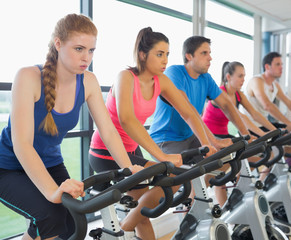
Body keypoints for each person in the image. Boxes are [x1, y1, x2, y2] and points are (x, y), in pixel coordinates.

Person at [0, 14, 142, 240]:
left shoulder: (88, 81)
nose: (87, 57)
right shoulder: (28, 77)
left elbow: (107, 130)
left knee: (72, 224)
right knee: (49, 216)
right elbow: (22, 144)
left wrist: (128, 167)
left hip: (51, 162)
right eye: (79, 49)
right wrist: (51, 192)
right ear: (58, 44)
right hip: (9, 167)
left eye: (91, 50)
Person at [89, 27, 220, 240]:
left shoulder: (161, 80)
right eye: (159, 54)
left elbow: (189, 113)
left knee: (142, 212)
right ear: (142, 54)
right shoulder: (126, 77)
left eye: (167, 54)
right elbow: (127, 119)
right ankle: (123, 226)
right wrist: (161, 156)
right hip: (106, 152)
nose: (165, 60)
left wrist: (207, 144)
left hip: (131, 150)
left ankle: (125, 225)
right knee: (176, 175)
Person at [149, 36, 253, 207]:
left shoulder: (205, 78)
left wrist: (246, 135)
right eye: (204, 53)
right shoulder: (174, 73)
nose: (210, 57)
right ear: (189, 56)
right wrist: (211, 141)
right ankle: (189, 209)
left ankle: (206, 204)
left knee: (228, 160)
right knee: (186, 178)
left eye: (210, 53)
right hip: (166, 140)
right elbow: (188, 110)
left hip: (190, 138)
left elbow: (227, 104)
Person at [202, 61, 277, 139]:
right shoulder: (221, 93)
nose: (243, 80)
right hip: (209, 135)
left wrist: (275, 131)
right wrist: (262, 133)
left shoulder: (238, 94)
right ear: (228, 77)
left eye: (244, 76)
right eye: (240, 76)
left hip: (224, 135)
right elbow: (240, 117)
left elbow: (255, 114)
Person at [242, 52, 291, 131]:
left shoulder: (275, 85)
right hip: (250, 127)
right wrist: (290, 123)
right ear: (267, 67)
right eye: (277, 64)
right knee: (288, 133)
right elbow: (267, 105)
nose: (281, 67)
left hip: (264, 124)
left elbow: (290, 103)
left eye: (282, 64)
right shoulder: (257, 81)